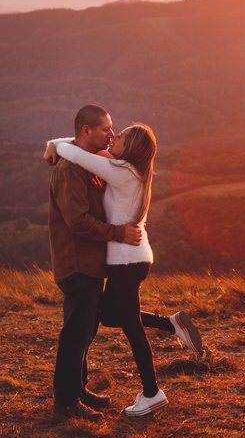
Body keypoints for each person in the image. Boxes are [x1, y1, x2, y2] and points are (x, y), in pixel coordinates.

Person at [45, 119, 202, 418]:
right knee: (106, 315)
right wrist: (53, 144)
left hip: (127, 261)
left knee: (130, 328)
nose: (114, 136)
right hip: (133, 258)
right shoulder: (131, 170)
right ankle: (171, 325)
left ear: (131, 149)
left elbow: (76, 152)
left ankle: (152, 393)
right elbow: (81, 144)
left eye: (122, 136)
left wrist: (53, 145)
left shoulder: (120, 171)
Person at [47, 104, 144, 422]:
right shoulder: (70, 169)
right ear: (86, 131)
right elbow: (77, 221)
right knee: (76, 331)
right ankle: (65, 402)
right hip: (77, 261)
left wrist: (53, 143)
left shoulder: (88, 163)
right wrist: (119, 234)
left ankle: (77, 390)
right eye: (105, 129)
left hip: (89, 260)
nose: (112, 134)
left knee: (85, 329)